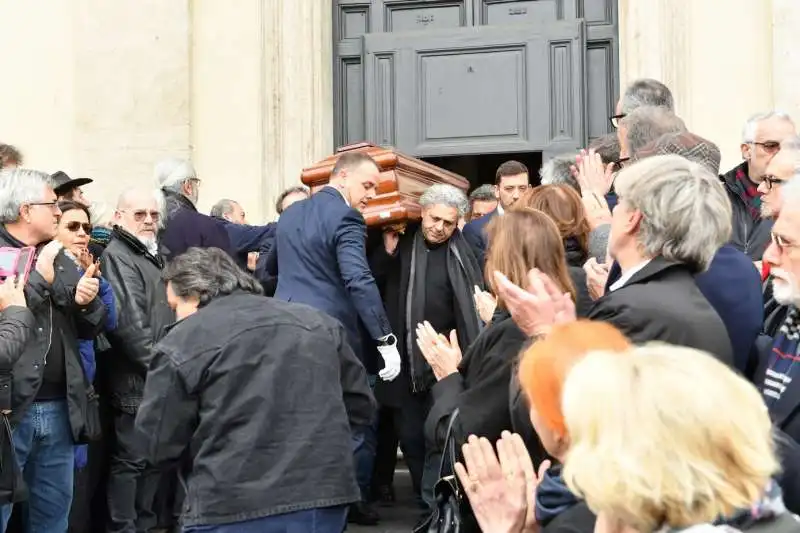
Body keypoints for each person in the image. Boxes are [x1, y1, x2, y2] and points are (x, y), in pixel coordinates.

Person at [136, 248, 376, 532]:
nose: (173, 314)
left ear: (195, 294)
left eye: (174, 305)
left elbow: (156, 443)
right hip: (321, 497)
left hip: (230, 502)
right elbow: (361, 407)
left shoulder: (184, 341)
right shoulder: (319, 324)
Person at [264, 151, 400, 525]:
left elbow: (268, 269)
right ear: (341, 179)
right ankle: (345, 504)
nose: (372, 193)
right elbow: (358, 279)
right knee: (353, 419)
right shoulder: (347, 217)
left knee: (294, 418)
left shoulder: (290, 214)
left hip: (283, 327)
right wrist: (385, 340)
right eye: (368, 185)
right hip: (328, 333)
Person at [496, 155, 734, 364]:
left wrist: (544, 333)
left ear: (633, 219)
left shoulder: (629, 312)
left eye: (619, 202)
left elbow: (573, 406)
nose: (612, 212)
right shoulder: (691, 300)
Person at [416, 209, 577, 512]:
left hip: (506, 502)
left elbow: (465, 434)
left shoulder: (515, 335)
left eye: (491, 253)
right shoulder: (563, 314)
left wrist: (448, 374)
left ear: (504, 260)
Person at [0, 169, 106, 531]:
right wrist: (38, 281)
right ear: (26, 210)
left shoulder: (57, 254)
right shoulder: (3, 255)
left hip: (61, 407)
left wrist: (86, 302)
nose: (60, 213)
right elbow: (9, 317)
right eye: (52, 205)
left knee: (52, 519)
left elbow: (92, 327)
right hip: (11, 413)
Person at [369, 184, 483, 509]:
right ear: (422, 212)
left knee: (441, 435)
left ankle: (435, 505)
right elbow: (371, 280)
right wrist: (388, 251)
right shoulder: (402, 244)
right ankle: (426, 500)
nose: (439, 228)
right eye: (434, 219)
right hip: (405, 362)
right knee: (412, 438)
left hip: (445, 363)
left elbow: (471, 303)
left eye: (448, 223)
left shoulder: (463, 251)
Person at [101, 188, 175, 533]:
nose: (148, 220)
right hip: (138, 379)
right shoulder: (119, 255)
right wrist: (164, 369)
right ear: (119, 218)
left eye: (154, 215)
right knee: (131, 461)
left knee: (152, 461)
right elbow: (129, 326)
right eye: (139, 214)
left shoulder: (152, 254)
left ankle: (143, 525)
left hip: (157, 374)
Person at [54, 201, 118, 533]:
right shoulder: (47, 269)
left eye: (87, 228)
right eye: (73, 227)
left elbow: (111, 319)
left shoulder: (85, 266)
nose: (82, 234)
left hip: (85, 387)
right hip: (57, 391)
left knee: (80, 481)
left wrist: (98, 283)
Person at [154, 158, 232, 261]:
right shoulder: (207, 225)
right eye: (196, 183)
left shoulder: (146, 222)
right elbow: (224, 271)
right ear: (188, 186)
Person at [462, 160, 530, 266]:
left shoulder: (542, 225)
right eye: (509, 189)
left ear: (529, 189)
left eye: (522, 188)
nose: (516, 195)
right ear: (497, 191)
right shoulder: (475, 230)